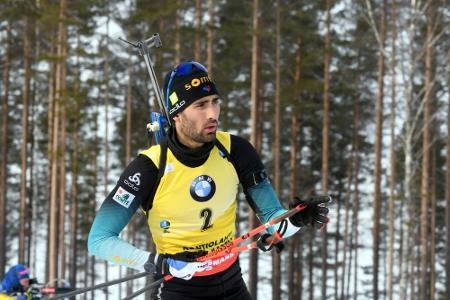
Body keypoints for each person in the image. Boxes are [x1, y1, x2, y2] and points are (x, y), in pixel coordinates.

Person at [88, 61, 329, 299]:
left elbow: (273, 221)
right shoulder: (148, 168)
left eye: (215, 102)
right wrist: (157, 262)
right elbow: (99, 240)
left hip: (231, 282)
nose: (212, 113)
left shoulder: (236, 150)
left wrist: (296, 219)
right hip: (176, 289)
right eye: (201, 105)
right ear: (177, 114)